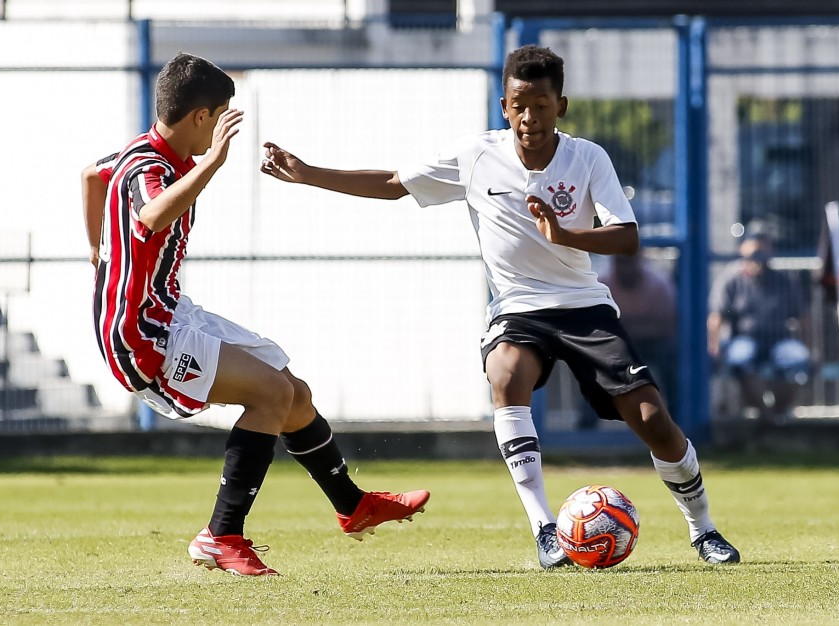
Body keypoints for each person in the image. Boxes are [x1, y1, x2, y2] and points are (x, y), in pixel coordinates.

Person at [259, 44, 740, 567]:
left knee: (652, 418)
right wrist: (309, 173)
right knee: (505, 372)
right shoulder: (477, 155)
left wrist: (566, 233)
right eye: (520, 104)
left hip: (584, 307)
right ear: (504, 105)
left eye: (541, 103)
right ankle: (545, 528)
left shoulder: (588, 158)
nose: (530, 116)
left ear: (562, 106)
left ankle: (703, 529)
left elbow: (626, 238)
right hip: (518, 308)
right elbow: (396, 184)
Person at [80, 52, 429, 577]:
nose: (224, 127)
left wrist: (98, 253)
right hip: (141, 336)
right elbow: (151, 214)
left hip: (169, 311)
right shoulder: (150, 167)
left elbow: (90, 176)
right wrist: (212, 162)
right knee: (271, 395)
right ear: (202, 118)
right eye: (222, 116)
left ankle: (352, 505)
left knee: (294, 390)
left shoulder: (138, 153)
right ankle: (221, 534)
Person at [708, 223, 811, 425]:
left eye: (764, 247)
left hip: (779, 339)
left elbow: (804, 317)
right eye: (754, 248)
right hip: (744, 339)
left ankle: (776, 415)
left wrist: (810, 348)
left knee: (798, 359)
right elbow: (717, 316)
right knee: (740, 357)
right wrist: (714, 346)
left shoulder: (784, 279)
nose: (759, 254)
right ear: (742, 249)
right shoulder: (732, 278)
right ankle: (767, 417)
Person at [578, 250, 680, 429]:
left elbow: (667, 325)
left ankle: (677, 419)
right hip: (616, 345)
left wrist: (627, 325)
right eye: (620, 262)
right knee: (592, 366)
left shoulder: (658, 285)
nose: (625, 267)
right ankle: (585, 428)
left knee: (670, 357)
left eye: (629, 261)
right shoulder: (603, 285)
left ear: (640, 261)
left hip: (652, 345)